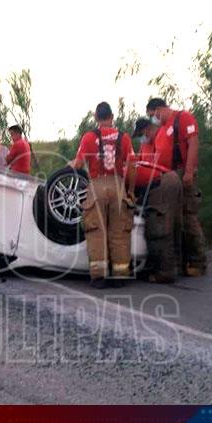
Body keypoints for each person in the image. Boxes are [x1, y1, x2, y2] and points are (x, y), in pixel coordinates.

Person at [69, 102, 136, 288]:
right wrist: (130, 191)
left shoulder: (89, 137)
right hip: (118, 185)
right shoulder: (124, 138)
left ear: (97, 118)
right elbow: (131, 166)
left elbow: (78, 164)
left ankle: (99, 277)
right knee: (119, 232)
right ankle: (121, 275)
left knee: (96, 231)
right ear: (112, 116)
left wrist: (67, 167)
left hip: (97, 185)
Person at [148, 97, 207, 277]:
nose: (154, 118)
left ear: (159, 109)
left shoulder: (183, 118)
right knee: (173, 221)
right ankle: (181, 262)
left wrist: (189, 171)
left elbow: (193, 143)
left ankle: (198, 262)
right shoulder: (161, 131)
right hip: (168, 179)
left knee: (188, 218)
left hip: (182, 173)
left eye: (153, 115)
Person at [134, 109, 183, 283]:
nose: (141, 138)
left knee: (158, 228)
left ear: (146, 129)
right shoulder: (144, 146)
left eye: (141, 134)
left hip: (163, 183)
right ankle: (178, 265)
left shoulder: (161, 136)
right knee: (173, 225)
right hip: (166, 181)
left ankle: (165, 272)